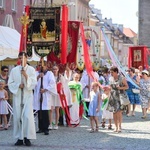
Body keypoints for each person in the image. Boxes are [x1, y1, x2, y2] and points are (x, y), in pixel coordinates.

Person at [8, 52, 37, 146]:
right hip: (18, 96)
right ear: (19, 59)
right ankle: (20, 138)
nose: (22, 60)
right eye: (20, 58)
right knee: (18, 117)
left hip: (27, 96)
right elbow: (10, 83)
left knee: (27, 117)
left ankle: (27, 137)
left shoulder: (31, 70)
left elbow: (33, 83)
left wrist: (26, 76)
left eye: (24, 58)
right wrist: (17, 86)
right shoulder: (14, 70)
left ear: (27, 58)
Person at [33, 61, 57, 134]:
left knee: (45, 111)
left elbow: (52, 83)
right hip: (38, 94)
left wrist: (45, 89)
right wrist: (38, 77)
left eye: (42, 66)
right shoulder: (36, 73)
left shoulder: (49, 74)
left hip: (45, 94)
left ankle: (46, 128)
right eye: (40, 66)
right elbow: (33, 83)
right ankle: (40, 127)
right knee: (39, 111)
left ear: (46, 66)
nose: (41, 67)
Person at [108, 66, 128, 133]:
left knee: (119, 112)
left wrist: (120, 88)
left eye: (112, 72)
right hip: (113, 96)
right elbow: (110, 87)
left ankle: (119, 127)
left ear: (116, 72)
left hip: (120, 96)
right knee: (114, 112)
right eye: (110, 72)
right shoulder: (110, 78)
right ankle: (115, 127)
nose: (111, 73)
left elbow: (127, 87)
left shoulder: (122, 78)